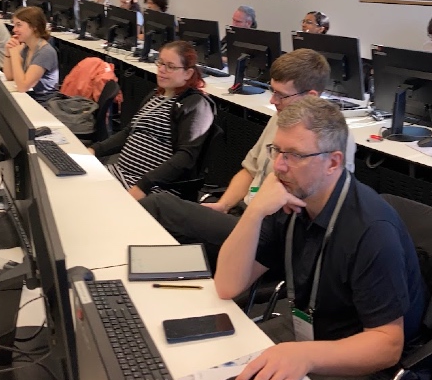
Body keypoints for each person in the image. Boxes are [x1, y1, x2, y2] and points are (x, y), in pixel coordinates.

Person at [214, 96, 425, 380]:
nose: (278, 166)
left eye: (294, 155)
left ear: (333, 162)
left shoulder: (371, 230)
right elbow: (228, 285)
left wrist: (306, 356)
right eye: (277, 151)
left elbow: (387, 345)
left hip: (367, 362)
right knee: (220, 374)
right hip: (310, 335)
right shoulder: (288, 198)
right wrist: (254, 211)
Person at [140, 49, 350, 258]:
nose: (273, 100)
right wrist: (223, 205)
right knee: (170, 234)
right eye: (272, 91)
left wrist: (253, 215)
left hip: (269, 233)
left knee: (158, 206)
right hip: (245, 214)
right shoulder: (281, 117)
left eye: (281, 95)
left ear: (311, 96)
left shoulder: (331, 140)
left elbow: (316, 212)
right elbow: (250, 170)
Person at [91, 41, 214, 200]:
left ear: (188, 73)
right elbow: (129, 132)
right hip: (122, 174)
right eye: (161, 63)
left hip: (153, 189)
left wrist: (143, 185)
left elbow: (186, 157)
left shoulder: (195, 104)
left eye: (170, 66)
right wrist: (94, 150)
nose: (162, 69)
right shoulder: (157, 94)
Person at [2, 6, 60, 99]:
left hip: (43, 103)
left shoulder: (45, 52)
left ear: (34, 27)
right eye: (14, 25)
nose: (14, 30)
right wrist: (8, 52)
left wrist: (15, 54)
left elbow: (22, 87)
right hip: (29, 98)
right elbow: (10, 76)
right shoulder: (27, 47)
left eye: (19, 25)